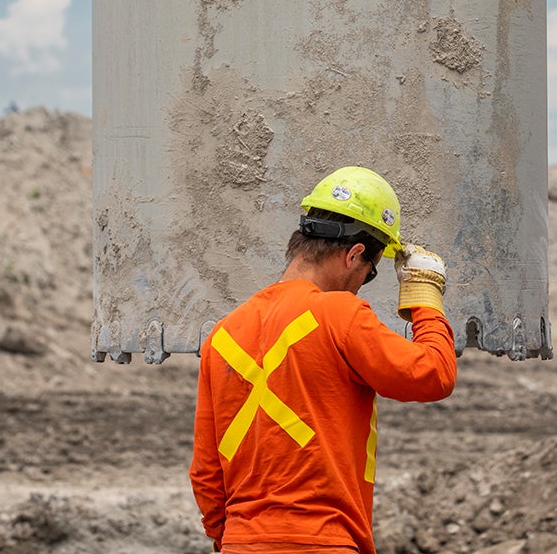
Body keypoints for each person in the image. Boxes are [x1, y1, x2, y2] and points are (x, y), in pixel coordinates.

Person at [190, 165, 457, 554]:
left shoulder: (224, 334)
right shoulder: (339, 314)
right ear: (354, 255)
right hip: (325, 542)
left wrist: (229, 539)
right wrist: (424, 295)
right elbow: (433, 374)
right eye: (370, 273)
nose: (363, 282)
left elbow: (206, 472)